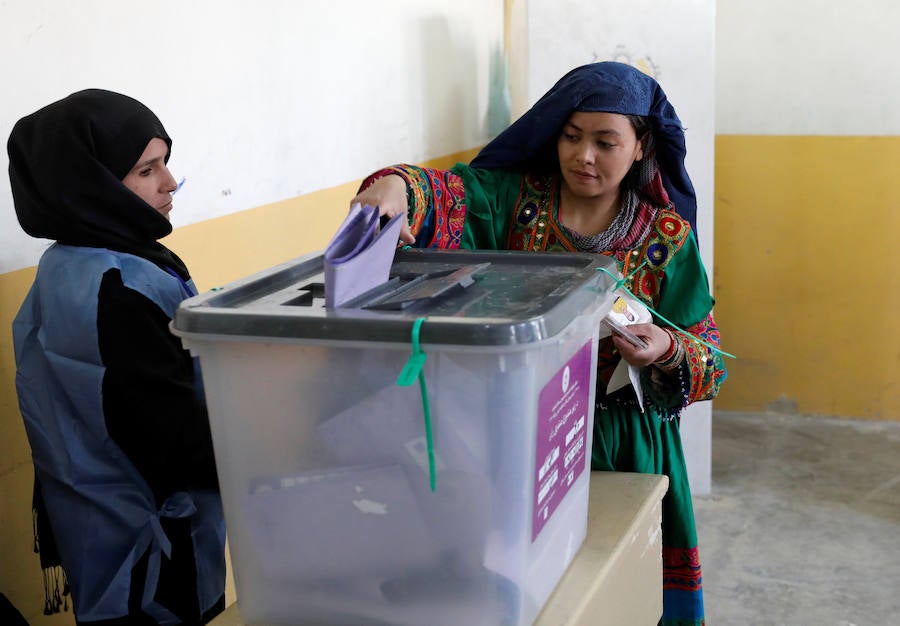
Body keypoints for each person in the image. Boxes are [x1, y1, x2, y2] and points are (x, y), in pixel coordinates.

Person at [351, 61, 727, 626]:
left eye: (605, 142)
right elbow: (441, 190)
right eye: (571, 137)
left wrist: (667, 352)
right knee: (526, 595)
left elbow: (711, 360)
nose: (584, 156)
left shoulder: (665, 240)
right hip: (516, 432)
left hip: (624, 444)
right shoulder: (512, 201)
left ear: (641, 145)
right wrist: (393, 188)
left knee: (616, 590)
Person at [8, 89, 226, 625]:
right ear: (95, 184)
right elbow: (177, 444)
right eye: (146, 170)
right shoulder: (118, 289)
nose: (169, 183)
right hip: (153, 556)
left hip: (98, 530)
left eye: (165, 163)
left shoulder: (70, 262)